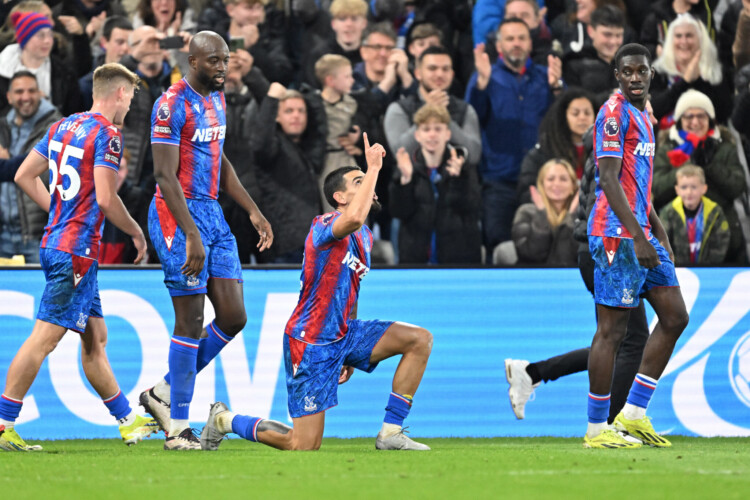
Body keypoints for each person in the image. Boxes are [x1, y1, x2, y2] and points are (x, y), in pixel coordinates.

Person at [200, 135, 434, 451]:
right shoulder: (324, 225)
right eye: (359, 182)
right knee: (303, 445)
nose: (369, 185)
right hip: (310, 341)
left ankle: (391, 432)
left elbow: (351, 290)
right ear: (339, 197)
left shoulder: (365, 237)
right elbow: (353, 217)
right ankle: (224, 420)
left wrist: (350, 354)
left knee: (419, 339)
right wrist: (374, 168)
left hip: (344, 333)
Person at [0, 63, 158, 452]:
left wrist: (59, 211)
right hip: (76, 251)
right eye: (130, 98)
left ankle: (127, 421)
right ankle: (4, 423)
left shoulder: (63, 125)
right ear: (120, 93)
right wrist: (136, 231)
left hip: (61, 244)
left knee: (95, 338)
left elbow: (23, 175)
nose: (130, 106)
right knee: (43, 340)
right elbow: (105, 197)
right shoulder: (108, 134)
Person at [138, 31, 273, 451]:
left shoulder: (217, 98)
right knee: (191, 320)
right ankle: (178, 427)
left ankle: (162, 391)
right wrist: (191, 234)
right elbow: (164, 176)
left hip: (212, 212)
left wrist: (251, 208)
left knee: (233, 316)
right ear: (193, 61)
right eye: (214, 60)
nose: (222, 67)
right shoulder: (170, 104)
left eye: (226, 59)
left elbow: (218, 156)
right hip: (175, 214)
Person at [584, 43, 689, 449]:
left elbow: (638, 184)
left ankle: (633, 414)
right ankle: (596, 429)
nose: (634, 77)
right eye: (626, 71)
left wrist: (658, 233)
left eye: (641, 71)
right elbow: (609, 180)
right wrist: (641, 236)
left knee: (675, 317)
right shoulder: (613, 114)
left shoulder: (645, 116)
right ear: (617, 75)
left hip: (641, 231)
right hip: (615, 234)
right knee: (612, 332)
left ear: (650, 74)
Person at [466, 17, 561, 255]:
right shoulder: (484, 76)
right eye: (510, 38)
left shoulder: (547, 77)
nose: (516, 43)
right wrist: (481, 86)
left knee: (542, 248)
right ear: (499, 45)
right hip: (498, 181)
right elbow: (472, 119)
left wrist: (557, 90)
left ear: (530, 43)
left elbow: (562, 122)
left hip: (540, 182)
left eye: (521, 38)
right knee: (499, 246)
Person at [651, 89, 746, 264]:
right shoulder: (667, 148)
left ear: (710, 119)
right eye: (689, 116)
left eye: (701, 116)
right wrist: (688, 165)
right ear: (680, 119)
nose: (695, 122)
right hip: (673, 237)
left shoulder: (725, 146)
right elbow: (657, 188)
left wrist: (710, 166)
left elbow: (738, 186)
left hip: (722, 237)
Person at [389, 104, 482, 264]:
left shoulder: (463, 167)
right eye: (426, 129)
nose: (432, 134)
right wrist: (405, 181)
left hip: (457, 261)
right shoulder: (406, 168)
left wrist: (458, 180)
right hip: (416, 261)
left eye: (438, 129)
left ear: (448, 134)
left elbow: (472, 208)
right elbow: (399, 212)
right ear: (417, 135)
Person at [0, 71, 62, 263]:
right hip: (2, 235)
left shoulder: (57, 126)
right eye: (19, 92)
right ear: (9, 97)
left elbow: (38, 173)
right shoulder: (2, 126)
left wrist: (6, 164)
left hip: (39, 235)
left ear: (40, 93)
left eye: (31, 91)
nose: (26, 97)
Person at [384, 46, 481, 166]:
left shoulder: (465, 109)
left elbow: (474, 155)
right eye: (432, 68)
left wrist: (444, 118)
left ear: (452, 74)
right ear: (418, 73)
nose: (439, 74)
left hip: (457, 177)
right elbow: (400, 153)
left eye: (445, 69)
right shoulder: (398, 109)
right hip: (412, 177)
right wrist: (427, 111)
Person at [650, 14, 732, 127]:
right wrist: (685, 81)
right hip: (666, 135)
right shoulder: (658, 70)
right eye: (678, 36)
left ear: (700, 40)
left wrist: (698, 80)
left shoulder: (715, 70)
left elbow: (723, 113)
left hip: (707, 134)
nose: (683, 41)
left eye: (689, 35)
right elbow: (653, 111)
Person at [517, 87, 595, 205]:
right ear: (563, 117)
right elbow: (526, 189)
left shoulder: (606, 151)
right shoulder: (543, 152)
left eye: (587, 113)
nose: (582, 117)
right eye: (575, 113)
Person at [315, 54, 361, 211]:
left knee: (358, 206)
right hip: (325, 163)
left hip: (348, 159)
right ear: (330, 80)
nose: (352, 80)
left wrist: (357, 139)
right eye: (347, 76)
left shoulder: (352, 103)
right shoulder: (313, 105)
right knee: (334, 209)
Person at [658, 164, 730, 265]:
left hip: (709, 269)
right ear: (677, 190)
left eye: (694, 187)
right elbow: (662, 243)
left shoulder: (715, 211)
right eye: (684, 187)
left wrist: (709, 266)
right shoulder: (668, 212)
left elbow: (721, 242)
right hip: (677, 269)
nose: (689, 192)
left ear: (704, 188)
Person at [512, 159, 579, 265]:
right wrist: (541, 215)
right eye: (551, 179)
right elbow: (531, 255)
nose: (557, 184)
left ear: (573, 186)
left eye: (563, 179)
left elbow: (572, 257)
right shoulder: (526, 212)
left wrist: (572, 216)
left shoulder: (583, 216)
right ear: (542, 184)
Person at [562, 5, 625, 107]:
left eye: (618, 35)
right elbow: (574, 106)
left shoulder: (628, 65)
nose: (613, 41)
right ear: (591, 31)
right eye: (607, 34)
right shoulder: (574, 63)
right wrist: (610, 96)